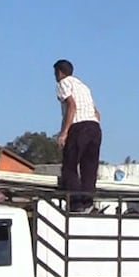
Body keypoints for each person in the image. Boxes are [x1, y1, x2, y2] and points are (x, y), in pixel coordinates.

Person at [53, 59, 102, 213]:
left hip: (78, 126)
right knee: (89, 168)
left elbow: (71, 106)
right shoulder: (84, 86)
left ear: (59, 72)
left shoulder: (63, 83)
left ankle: (76, 204)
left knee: (69, 167)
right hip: (94, 127)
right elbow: (97, 113)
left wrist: (64, 132)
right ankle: (88, 202)